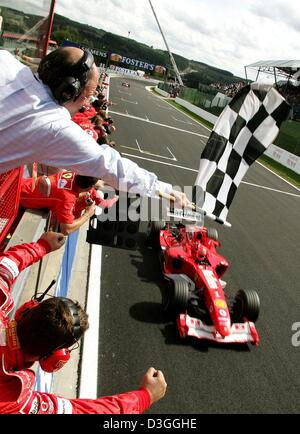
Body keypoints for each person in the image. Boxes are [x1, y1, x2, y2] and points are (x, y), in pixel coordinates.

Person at [0, 47, 190, 208]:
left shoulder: (5, 59)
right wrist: (165, 190)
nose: (85, 103)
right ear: (68, 91)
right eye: (87, 95)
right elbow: (109, 164)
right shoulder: (53, 125)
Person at [0, 232, 167, 414]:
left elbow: (7, 266)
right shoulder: (16, 399)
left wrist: (41, 246)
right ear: (54, 357)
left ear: (27, 308)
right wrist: (145, 396)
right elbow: (84, 411)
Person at [20, 172, 118, 235]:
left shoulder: (74, 173)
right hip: (18, 198)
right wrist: (88, 214)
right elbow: (66, 230)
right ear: (89, 187)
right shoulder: (67, 199)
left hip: (22, 183)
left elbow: (97, 184)